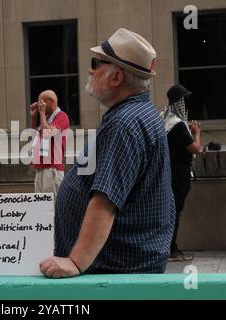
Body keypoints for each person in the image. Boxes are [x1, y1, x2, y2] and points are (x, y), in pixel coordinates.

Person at [39, 28, 175, 278]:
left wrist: (76, 262)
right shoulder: (137, 115)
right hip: (124, 267)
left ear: (116, 77)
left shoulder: (125, 123)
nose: (90, 70)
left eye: (96, 63)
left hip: (116, 272)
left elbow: (105, 200)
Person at [161, 85, 201, 262]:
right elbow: (195, 148)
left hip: (169, 172)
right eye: (184, 100)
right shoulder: (177, 125)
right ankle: (172, 250)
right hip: (179, 174)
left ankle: (169, 247)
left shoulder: (166, 119)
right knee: (175, 212)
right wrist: (196, 133)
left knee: (171, 211)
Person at [30, 90, 69, 199]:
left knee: (53, 207)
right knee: (41, 207)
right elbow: (34, 138)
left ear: (51, 102)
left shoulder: (62, 116)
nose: (39, 106)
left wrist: (42, 113)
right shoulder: (46, 120)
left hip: (52, 169)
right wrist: (33, 117)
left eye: (41, 102)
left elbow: (48, 133)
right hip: (40, 168)